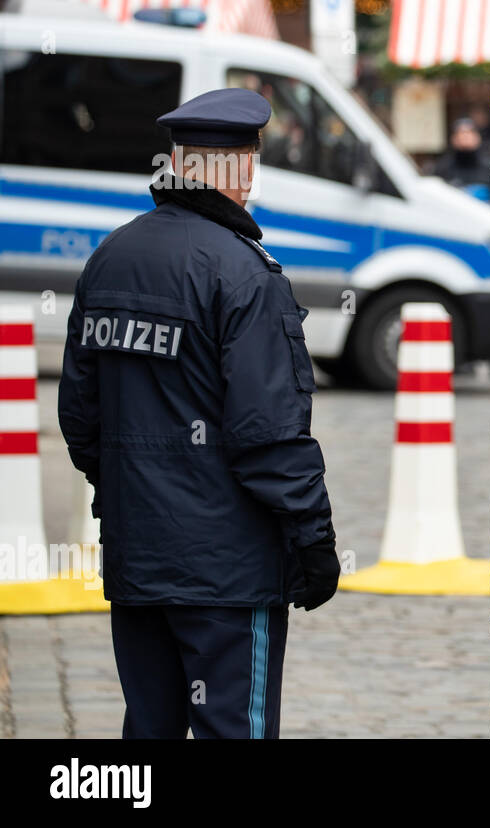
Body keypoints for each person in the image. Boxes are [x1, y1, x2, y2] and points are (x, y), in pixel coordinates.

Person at [58, 88, 340, 739]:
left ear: (179, 164)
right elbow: (268, 435)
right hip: (228, 571)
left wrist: (137, 493)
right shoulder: (243, 274)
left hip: (139, 556)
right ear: (243, 171)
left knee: (149, 728)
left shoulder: (111, 259)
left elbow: (80, 416)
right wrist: (313, 541)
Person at [434, 117, 490, 210]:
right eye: (460, 133)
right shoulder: (441, 168)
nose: (465, 137)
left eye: (469, 132)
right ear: (453, 139)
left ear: (478, 137)